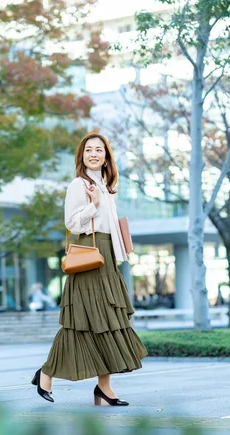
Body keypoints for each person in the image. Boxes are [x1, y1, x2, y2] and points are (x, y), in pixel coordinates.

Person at [31, 132, 148, 406]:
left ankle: (104, 390)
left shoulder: (104, 186)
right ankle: (46, 373)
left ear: (107, 156)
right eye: (89, 150)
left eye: (99, 150)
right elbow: (72, 224)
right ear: (82, 156)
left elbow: (108, 226)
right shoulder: (78, 185)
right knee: (81, 324)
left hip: (106, 258)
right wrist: (93, 206)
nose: (94, 154)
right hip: (89, 259)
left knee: (106, 323)